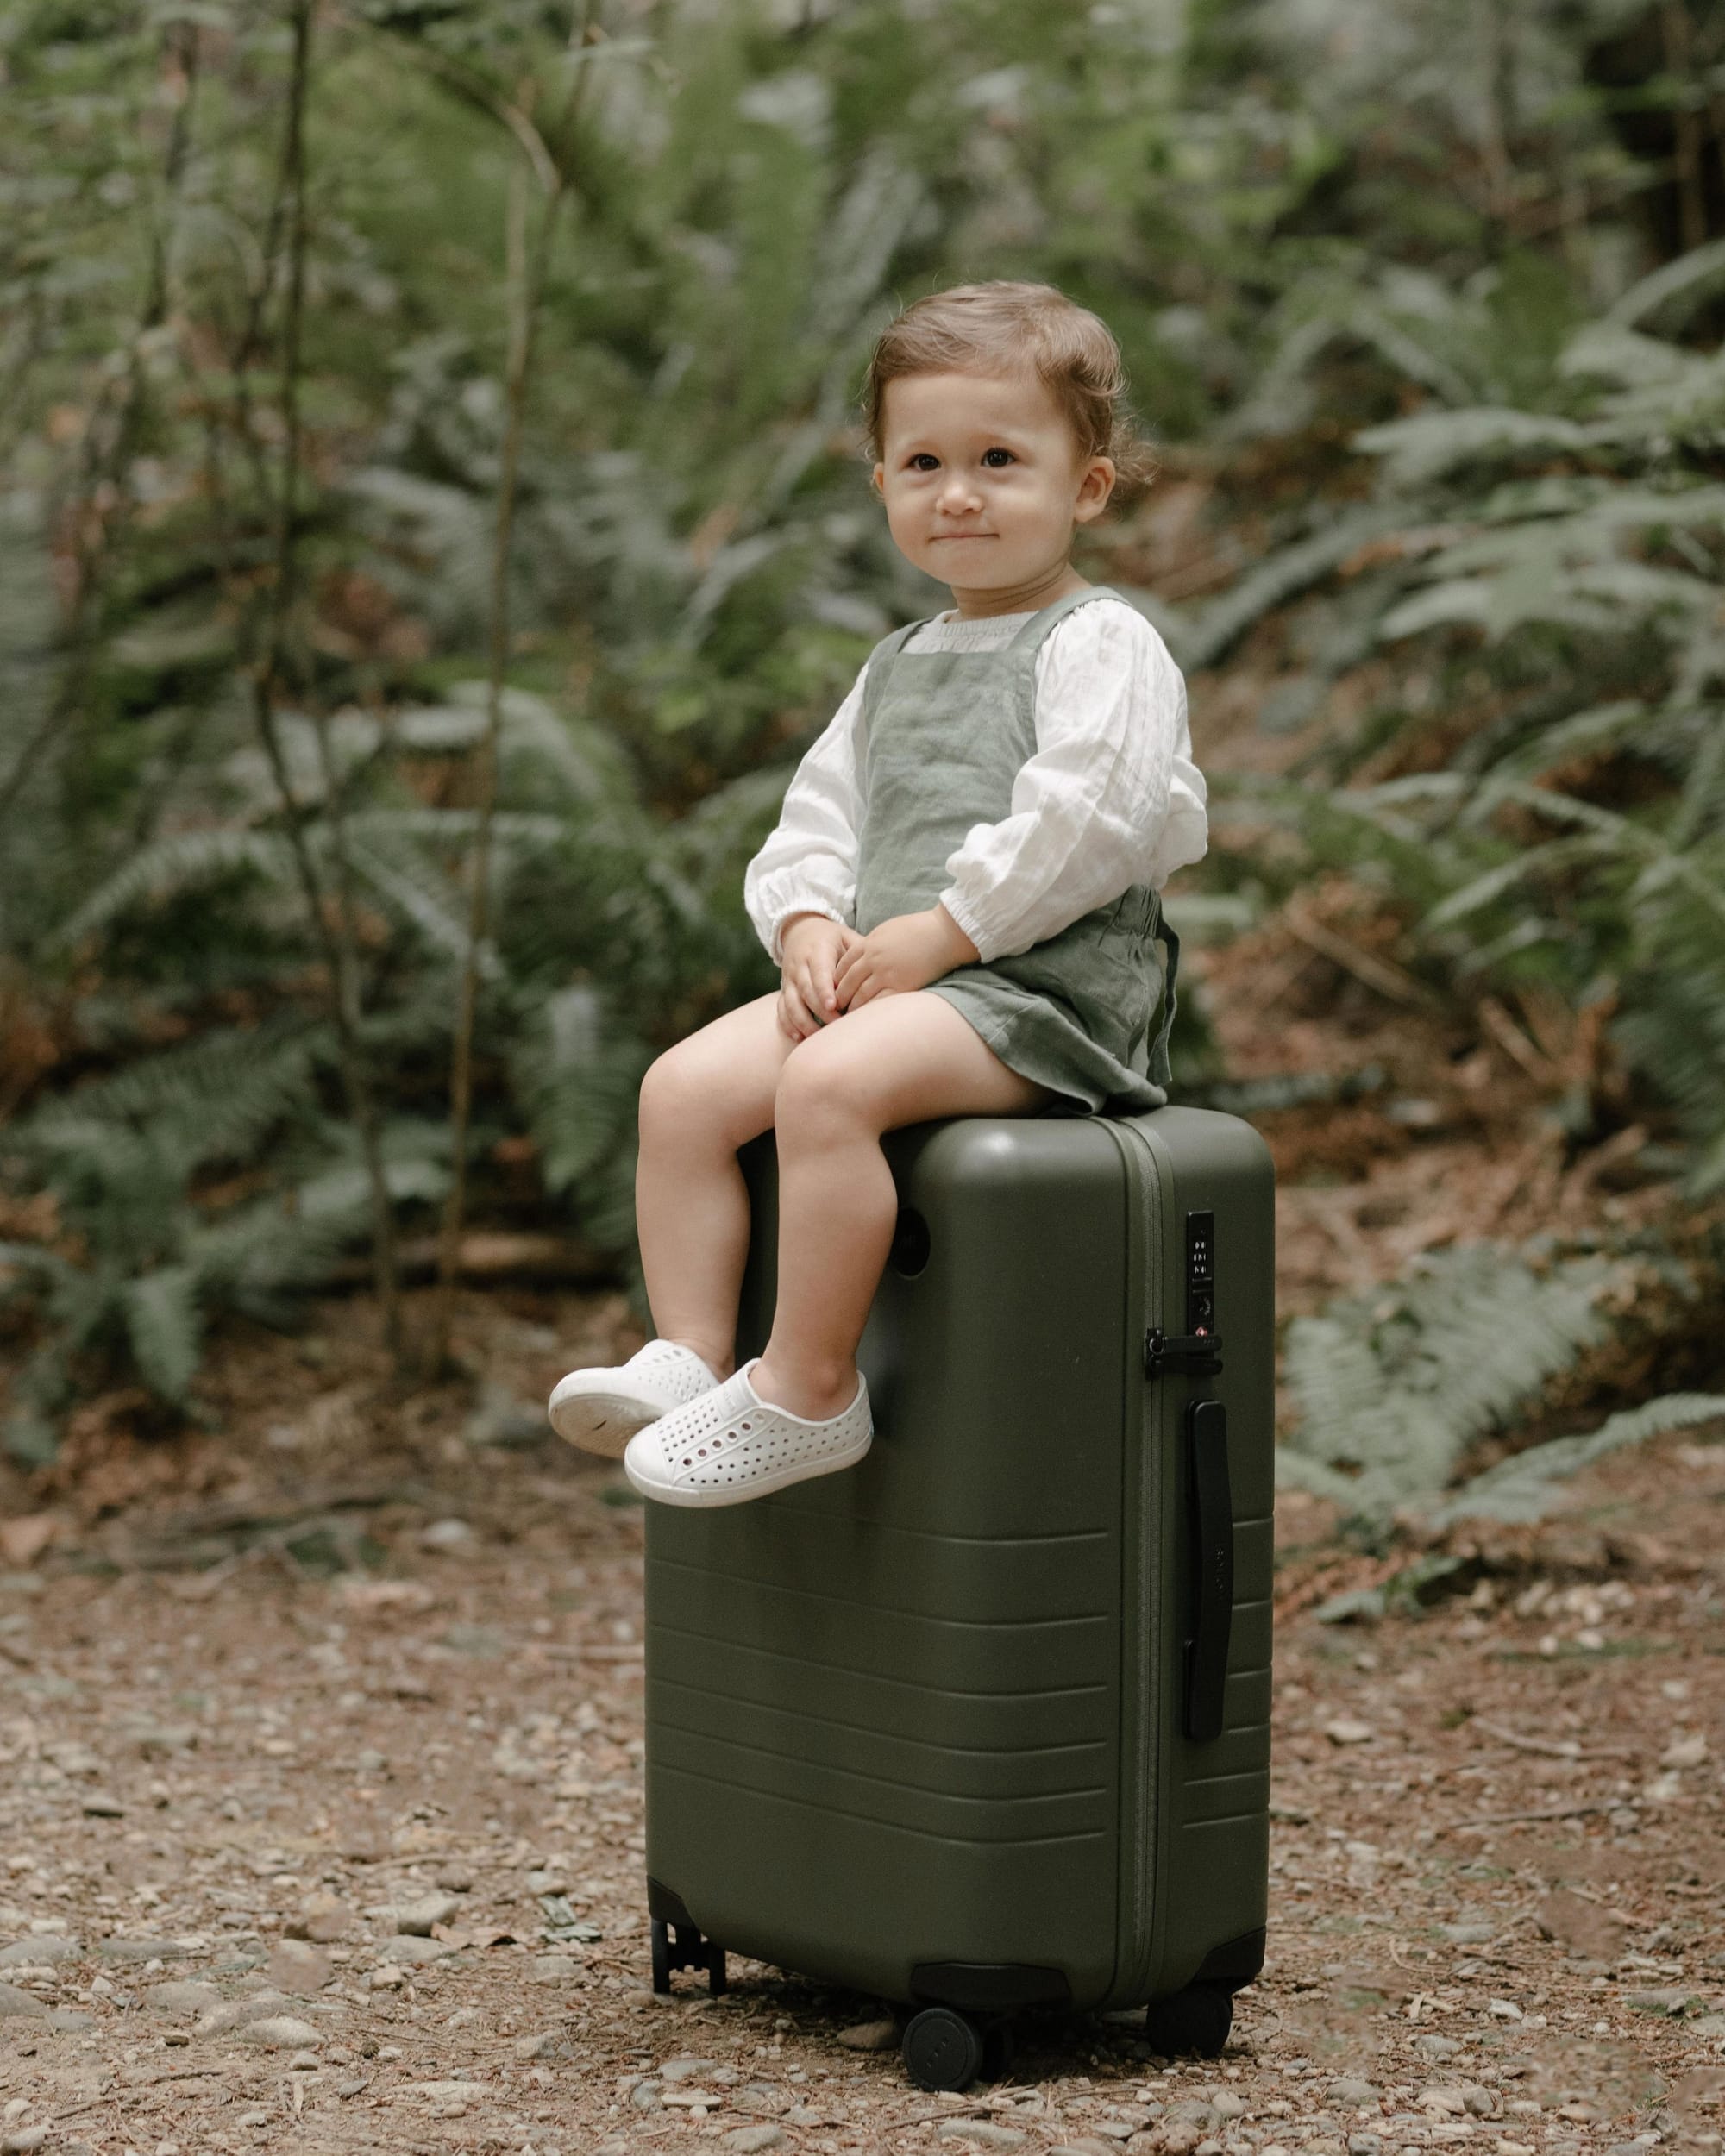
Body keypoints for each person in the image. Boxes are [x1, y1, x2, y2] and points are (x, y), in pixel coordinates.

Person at [546, 280, 1208, 1507]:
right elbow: (822, 816)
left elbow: (1092, 820)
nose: (957, 494)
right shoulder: (897, 665)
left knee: (828, 1085)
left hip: (1040, 995)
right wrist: (807, 920)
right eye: (923, 463)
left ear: (1087, 487)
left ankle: (808, 1388)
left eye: (999, 460)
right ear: (883, 484)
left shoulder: (1102, 643)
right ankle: (689, 1353)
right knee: (680, 1091)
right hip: (900, 982)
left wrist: (947, 934)